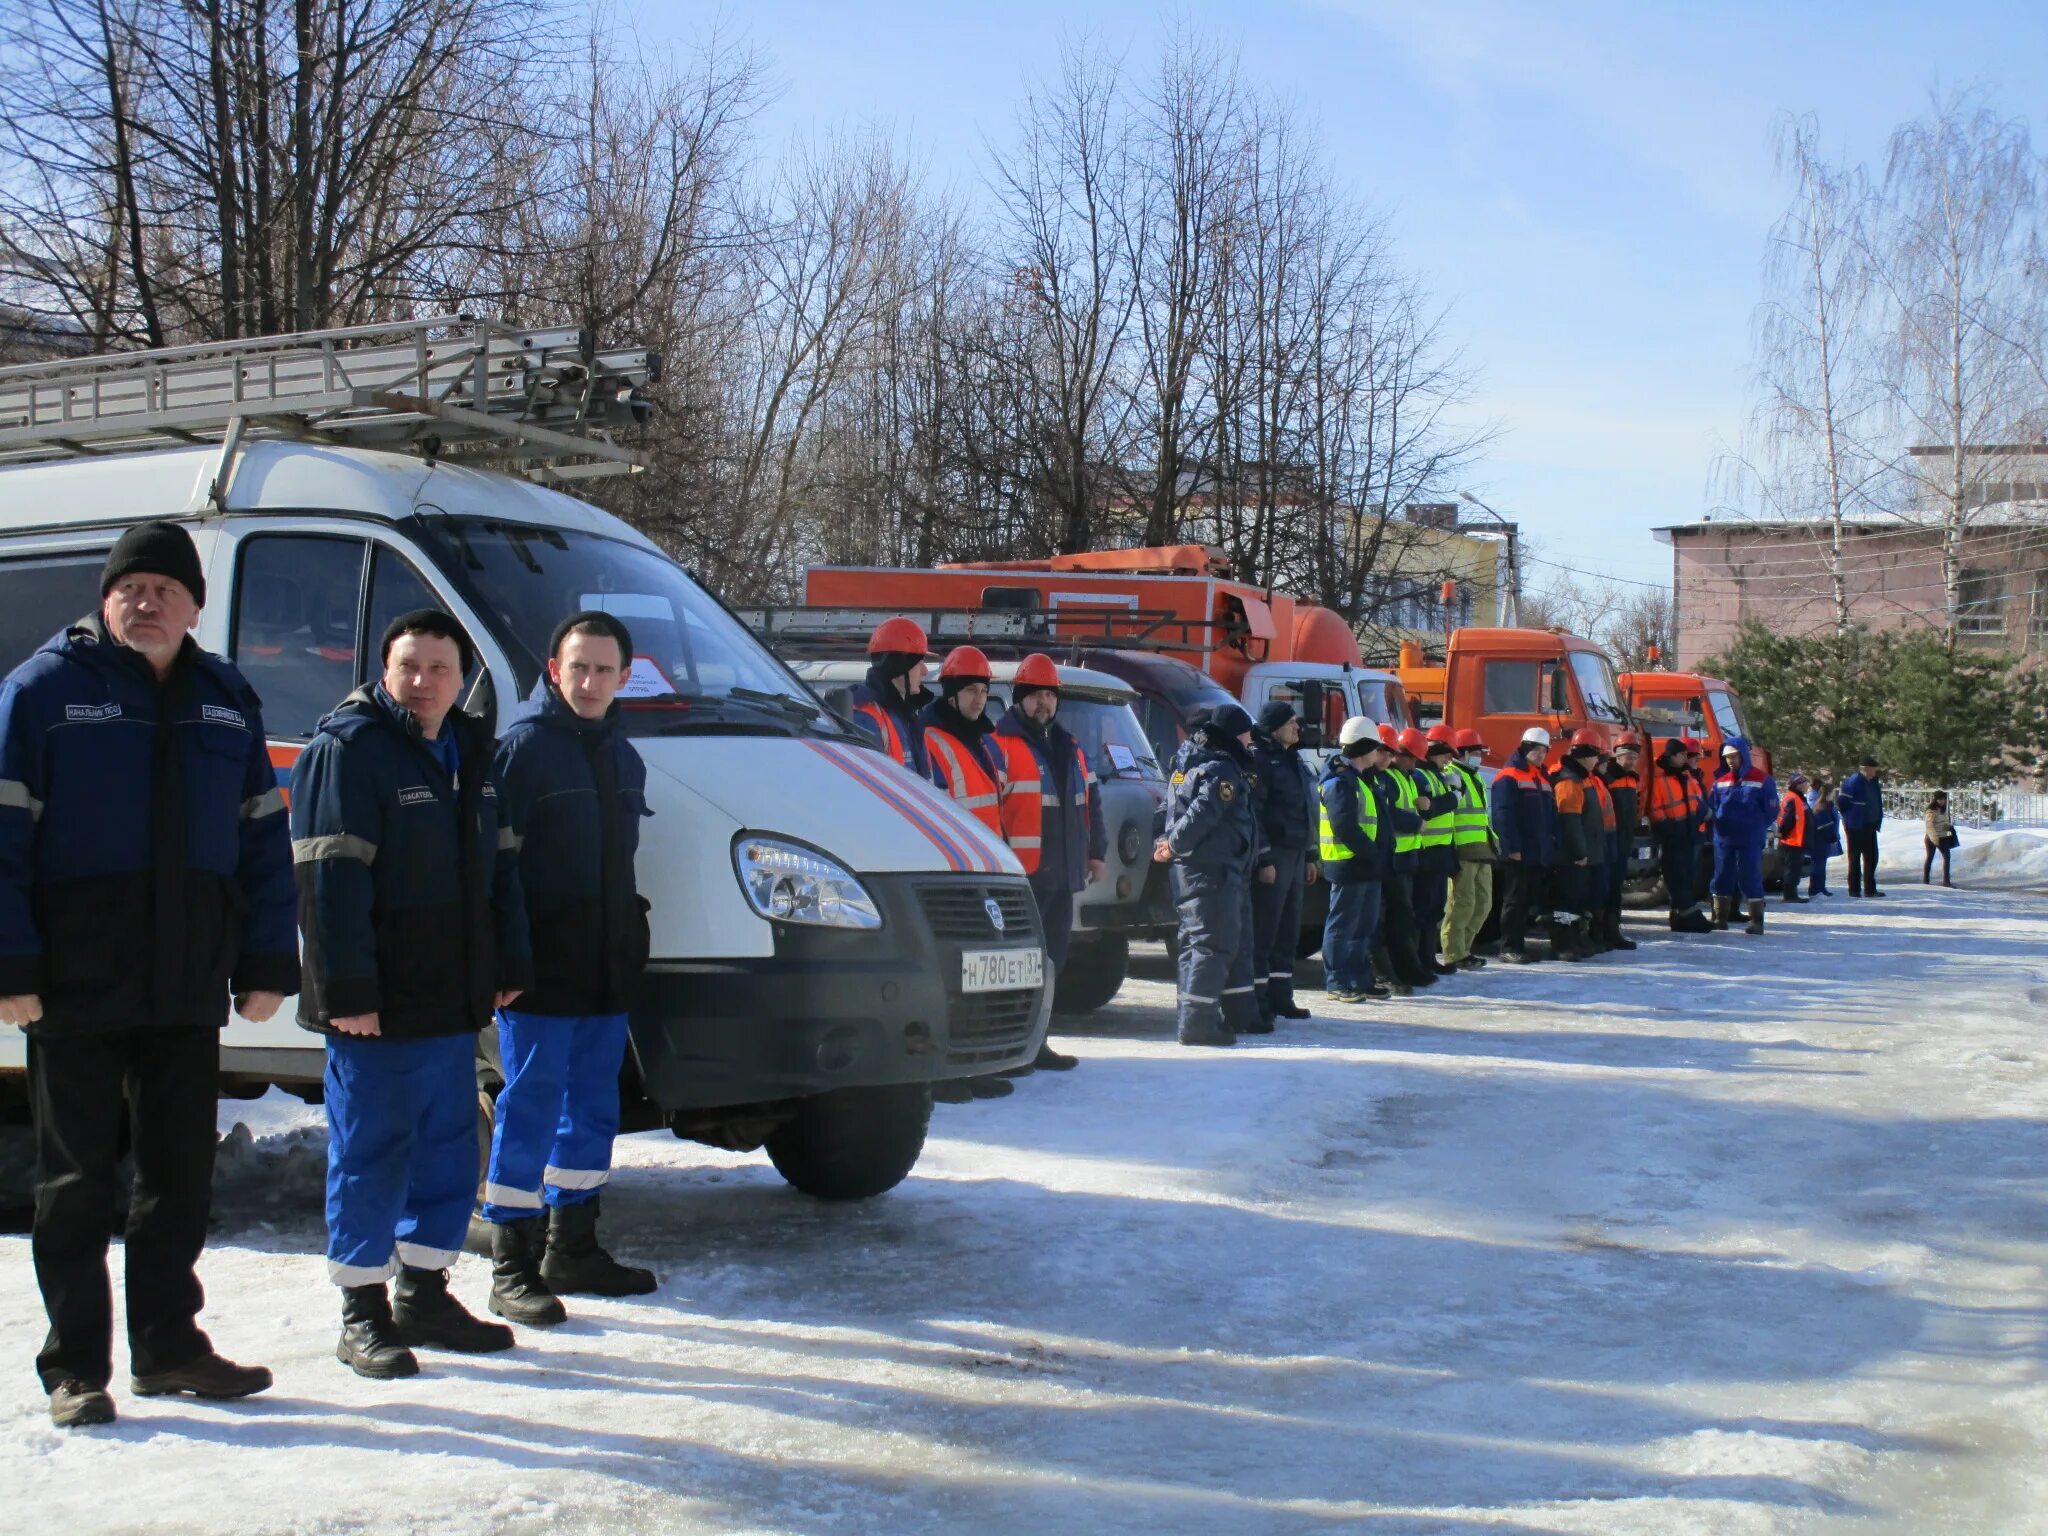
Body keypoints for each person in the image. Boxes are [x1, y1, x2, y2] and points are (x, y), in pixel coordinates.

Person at [0, 523, 297, 1428]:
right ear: (105, 598)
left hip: (184, 981)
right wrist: (10, 964)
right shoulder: (43, 692)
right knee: (75, 1183)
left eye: (166, 589)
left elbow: (260, 839)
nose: (147, 602)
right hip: (74, 983)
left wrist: (266, 959)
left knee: (177, 1179)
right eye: (131, 588)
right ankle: (76, 1367)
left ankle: (169, 1348)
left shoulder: (223, 698)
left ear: (194, 606)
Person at [291, 609, 532, 1380]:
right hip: (376, 1006)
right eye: (409, 667)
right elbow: (328, 880)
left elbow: (501, 871)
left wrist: (508, 957)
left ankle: (424, 1294)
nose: (423, 682)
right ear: (384, 671)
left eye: (439, 669)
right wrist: (345, 992)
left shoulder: (470, 749)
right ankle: (361, 1311)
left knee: (447, 1153)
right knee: (370, 1153)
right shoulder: (349, 749)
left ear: (462, 679)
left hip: (451, 998)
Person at [481, 612, 659, 1331]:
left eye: (604, 670)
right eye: (577, 668)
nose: (590, 682)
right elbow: (496, 870)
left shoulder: (624, 756)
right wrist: (505, 959)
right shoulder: (521, 752)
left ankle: (572, 1247)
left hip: (604, 964)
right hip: (539, 972)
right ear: (554, 671)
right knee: (528, 1109)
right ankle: (511, 1266)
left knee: (592, 1109)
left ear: (624, 676)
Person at [995, 653, 1106, 1066]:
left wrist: (1097, 854)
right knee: (1018, 964)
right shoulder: (999, 744)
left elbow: (1089, 803)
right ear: (1020, 699)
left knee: (1051, 963)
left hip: (1061, 875)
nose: (1043, 703)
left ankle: (1036, 1043)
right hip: (1022, 877)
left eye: (1049, 695)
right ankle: (1011, 1046)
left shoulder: (1069, 745)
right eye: (1035, 695)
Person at [921, 646, 1017, 1103]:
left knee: (984, 975)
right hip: (951, 872)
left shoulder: (981, 738)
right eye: (971, 690)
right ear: (951, 693)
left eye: (984, 690)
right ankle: (944, 1071)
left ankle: (977, 1064)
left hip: (984, 868)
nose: (979, 699)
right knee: (952, 977)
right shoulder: (932, 736)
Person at [1154, 702, 1260, 1045]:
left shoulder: (1190, 766)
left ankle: (1194, 1018)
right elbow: (1201, 815)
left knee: (1194, 946)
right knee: (1213, 946)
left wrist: (1169, 844)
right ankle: (1198, 1026)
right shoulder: (1221, 771)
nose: (1249, 740)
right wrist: (1174, 844)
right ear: (1232, 735)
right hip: (1211, 870)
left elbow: (1168, 812)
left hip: (1196, 870)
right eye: (1245, 733)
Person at [1250, 702, 1319, 1023]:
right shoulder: (1261, 761)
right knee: (1266, 929)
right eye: (1291, 723)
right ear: (1275, 727)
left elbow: (1305, 809)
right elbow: (1257, 814)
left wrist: (1309, 855)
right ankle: (1258, 1000)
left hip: (1294, 853)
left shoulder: (1293, 760)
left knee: (1288, 931)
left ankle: (1281, 996)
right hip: (1275, 854)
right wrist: (1265, 858)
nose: (1297, 728)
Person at [1317, 719, 1391, 1002]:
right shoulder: (1340, 781)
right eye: (1376, 748)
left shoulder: (1359, 779)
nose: (1379, 754)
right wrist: (1371, 853)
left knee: (1363, 926)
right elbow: (1345, 826)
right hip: (1349, 863)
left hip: (1364, 864)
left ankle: (1359, 979)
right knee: (1342, 925)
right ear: (1365, 749)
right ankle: (1337, 982)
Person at [1374, 725, 1437, 990]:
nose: (1413, 764)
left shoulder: (1406, 777)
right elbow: (1387, 814)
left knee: (1403, 917)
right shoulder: (1387, 778)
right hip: (1394, 857)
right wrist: (1415, 822)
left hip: (1406, 855)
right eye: (1409, 757)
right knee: (1390, 918)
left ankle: (1407, 968)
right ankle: (1389, 972)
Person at [1489, 726, 1558, 964]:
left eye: (1543, 750)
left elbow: (1550, 815)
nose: (1540, 755)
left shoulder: (1542, 777)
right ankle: (1509, 946)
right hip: (1520, 852)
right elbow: (1502, 815)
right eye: (1536, 750)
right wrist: (1511, 848)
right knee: (1514, 900)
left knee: (1527, 900)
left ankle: (1519, 944)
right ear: (1525, 748)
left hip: (1538, 852)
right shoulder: (1508, 776)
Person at [850, 616, 936, 780]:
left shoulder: (907, 714)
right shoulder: (864, 717)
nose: (925, 671)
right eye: (919, 663)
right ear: (898, 667)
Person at [1438, 729, 1496, 971]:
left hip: (1482, 849)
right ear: (1460, 753)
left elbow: (1482, 816)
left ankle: (1465, 949)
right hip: (1462, 850)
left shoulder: (1477, 778)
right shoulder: (1451, 775)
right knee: (1461, 904)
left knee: (1483, 903)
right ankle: (1454, 953)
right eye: (1474, 752)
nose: (1478, 757)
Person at [1708, 740, 1778, 936]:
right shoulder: (1720, 781)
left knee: (1750, 875)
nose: (1730, 761)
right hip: (1724, 837)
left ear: (1743, 756)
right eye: (1727, 758)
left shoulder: (1762, 780)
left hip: (1749, 837)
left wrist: (1755, 826)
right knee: (1722, 876)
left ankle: (1756, 921)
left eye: (1733, 756)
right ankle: (1719, 919)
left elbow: (1771, 809)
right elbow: (1712, 805)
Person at [1409, 727, 1464, 976]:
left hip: (1440, 852)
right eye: (1446, 754)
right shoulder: (1421, 775)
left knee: (1435, 908)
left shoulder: (1437, 775)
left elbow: (1434, 806)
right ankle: (1420, 960)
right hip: (1426, 852)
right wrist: (1454, 797)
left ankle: (1428, 958)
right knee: (1423, 908)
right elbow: (1428, 809)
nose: (1449, 759)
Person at [1550, 733, 1607, 961]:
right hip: (1572, 856)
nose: (1598, 761)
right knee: (1567, 900)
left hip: (1586, 853)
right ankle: (1563, 944)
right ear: (1586, 757)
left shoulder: (1581, 778)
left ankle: (1576, 939)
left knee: (1579, 900)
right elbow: (1569, 821)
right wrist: (1579, 852)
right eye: (1596, 756)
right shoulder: (1569, 781)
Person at [1647, 738, 1712, 932]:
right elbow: (1655, 810)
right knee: (1677, 878)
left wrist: (1705, 817)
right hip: (1673, 837)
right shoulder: (1659, 782)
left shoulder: (1688, 777)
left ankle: (1681, 917)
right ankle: (1687, 916)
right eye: (1682, 754)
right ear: (1672, 756)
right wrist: (1670, 830)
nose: (1686, 757)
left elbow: (1697, 802)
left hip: (1690, 833)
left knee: (1688, 877)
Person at [1597, 736, 1642, 951]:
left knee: (1616, 888)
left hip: (1624, 839)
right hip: (1609, 838)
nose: (1632, 761)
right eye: (1628, 756)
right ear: (1618, 755)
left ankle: (1613, 931)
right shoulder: (1608, 777)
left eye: (1635, 757)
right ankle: (1601, 932)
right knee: (1605, 887)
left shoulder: (1633, 779)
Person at [1838, 754, 1886, 898]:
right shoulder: (1852, 782)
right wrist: (1852, 817)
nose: (1875, 771)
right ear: (1866, 769)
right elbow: (1842, 803)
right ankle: (1854, 890)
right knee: (1855, 858)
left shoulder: (1874, 782)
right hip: (1855, 826)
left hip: (1870, 825)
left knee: (1872, 858)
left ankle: (1870, 889)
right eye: (1873, 769)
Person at [1775, 773, 1812, 904]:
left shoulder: (1798, 798)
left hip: (1797, 840)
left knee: (1794, 868)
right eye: (1804, 783)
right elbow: (1788, 820)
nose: (1807, 785)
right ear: (1798, 785)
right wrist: (1783, 834)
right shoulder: (1793, 798)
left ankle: (1791, 893)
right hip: (1792, 841)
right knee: (1792, 869)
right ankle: (1789, 895)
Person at [1807, 782, 1842, 897]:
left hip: (1824, 841)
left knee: (1821, 865)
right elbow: (1824, 825)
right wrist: (1831, 837)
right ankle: (1816, 888)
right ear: (1827, 793)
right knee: (1818, 866)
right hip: (1820, 841)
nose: (1834, 794)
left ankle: (1820, 887)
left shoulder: (1826, 805)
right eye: (1832, 792)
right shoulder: (1822, 807)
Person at [1924, 791, 1958, 887]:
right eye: (1939, 799)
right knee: (1930, 857)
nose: (1942, 801)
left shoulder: (1944, 810)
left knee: (1947, 857)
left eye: (1943, 799)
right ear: (1935, 800)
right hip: (1932, 838)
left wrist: (1949, 831)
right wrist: (1935, 839)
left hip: (1943, 837)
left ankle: (1946, 881)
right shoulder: (1931, 810)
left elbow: (1945, 824)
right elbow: (1929, 826)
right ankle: (1926, 881)